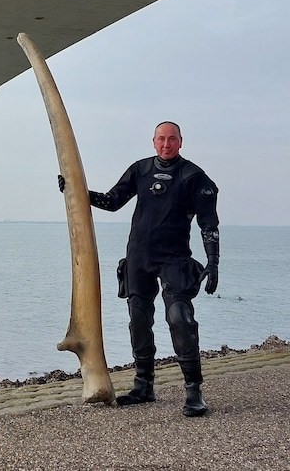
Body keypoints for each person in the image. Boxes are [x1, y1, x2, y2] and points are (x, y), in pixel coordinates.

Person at [58, 121, 219, 416]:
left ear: (180, 142)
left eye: (172, 139)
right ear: (154, 141)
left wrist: (213, 261)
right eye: (161, 139)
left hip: (174, 258)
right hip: (139, 256)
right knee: (139, 320)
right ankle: (143, 385)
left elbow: (208, 223)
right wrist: (75, 190)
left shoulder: (193, 176)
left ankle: (194, 391)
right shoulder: (140, 170)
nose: (166, 144)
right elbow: (112, 201)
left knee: (180, 318)